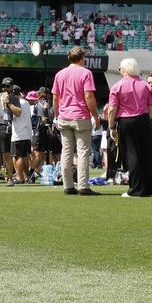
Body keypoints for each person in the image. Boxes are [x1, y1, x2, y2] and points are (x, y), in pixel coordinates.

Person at [105, 57, 152, 198]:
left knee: (132, 155)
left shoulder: (117, 86)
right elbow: (151, 111)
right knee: (149, 154)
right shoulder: (146, 86)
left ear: (124, 69)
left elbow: (112, 109)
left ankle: (136, 189)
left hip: (126, 122)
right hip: (144, 121)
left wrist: (111, 126)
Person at [51, 46, 99, 195]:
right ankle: (83, 186)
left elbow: (55, 97)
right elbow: (88, 96)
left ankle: (68, 186)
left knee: (66, 152)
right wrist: (95, 116)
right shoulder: (86, 73)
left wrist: (58, 114)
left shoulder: (60, 74)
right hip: (80, 116)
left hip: (64, 117)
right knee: (83, 152)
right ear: (82, 58)